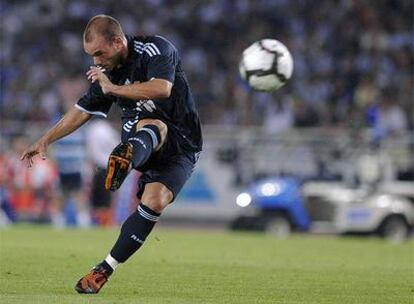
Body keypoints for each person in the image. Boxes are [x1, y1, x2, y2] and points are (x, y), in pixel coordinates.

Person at [21, 14, 203, 294]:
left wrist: (113, 88)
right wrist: (45, 140)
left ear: (118, 41)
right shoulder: (109, 74)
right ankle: (127, 158)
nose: (96, 62)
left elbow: (162, 88)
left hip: (185, 143)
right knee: (152, 124)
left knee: (155, 202)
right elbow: (81, 111)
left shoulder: (155, 49)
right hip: (142, 134)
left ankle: (103, 270)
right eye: (91, 55)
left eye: (99, 53)